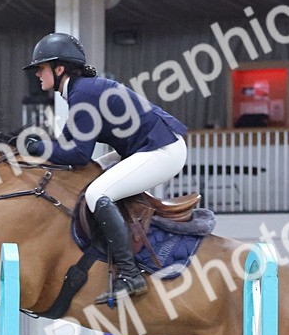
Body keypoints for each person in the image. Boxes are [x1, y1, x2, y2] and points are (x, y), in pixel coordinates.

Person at [21, 32, 188, 304]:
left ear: (59, 68)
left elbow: (77, 153)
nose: (37, 74)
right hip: (146, 147)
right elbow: (68, 146)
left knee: (97, 194)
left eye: (40, 68)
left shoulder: (82, 92)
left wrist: (38, 148)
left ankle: (129, 273)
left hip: (162, 150)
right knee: (93, 173)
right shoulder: (79, 91)